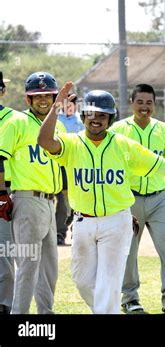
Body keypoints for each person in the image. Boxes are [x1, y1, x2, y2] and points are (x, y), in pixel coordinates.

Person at [37, 82, 165, 314]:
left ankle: (108, 310)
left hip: (116, 222)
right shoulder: (72, 143)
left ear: (111, 118)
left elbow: (158, 163)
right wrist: (58, 104)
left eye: (103, 115)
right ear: (84, 115)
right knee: (82, 280)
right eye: (91, 114)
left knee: (109, 283)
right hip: (83, 222)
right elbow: (44, 140)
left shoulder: (122, 144)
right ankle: (106, 309)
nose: (96, 119)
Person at [110, 84, 165, 314]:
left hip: (159, 198)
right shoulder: (118, 130)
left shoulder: (163, 130)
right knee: (129, 251)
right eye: (140, 102)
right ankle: (130, 298)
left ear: (155, 104)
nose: (144, 107)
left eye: (149, 103)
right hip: (129, 200)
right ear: (131, 103)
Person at [0, 71, 65, 314]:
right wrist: (1, 195)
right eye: (36, 96)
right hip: (27, 200)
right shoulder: (16, 122)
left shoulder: (56, 127)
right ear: (27, 99)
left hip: (50, 202)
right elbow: (0, 157)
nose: (42, 99)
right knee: (27, 265)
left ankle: (45, 316)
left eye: (47, 95)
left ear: (54, 97)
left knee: (49, 267)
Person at [56, 94, 84, 246]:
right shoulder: (56, 120)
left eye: (71, 105)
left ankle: (76, 231)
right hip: (59, 165)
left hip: (75, 164)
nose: (68, 108)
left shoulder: (80, 121)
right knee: (61, 199)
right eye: (66, 105)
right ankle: (60, 232)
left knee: (76, 198)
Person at [0, 71, 17, 314]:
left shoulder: (14, 119)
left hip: (5, 191)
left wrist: (4, 193)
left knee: (4, 251)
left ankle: (4, 305)